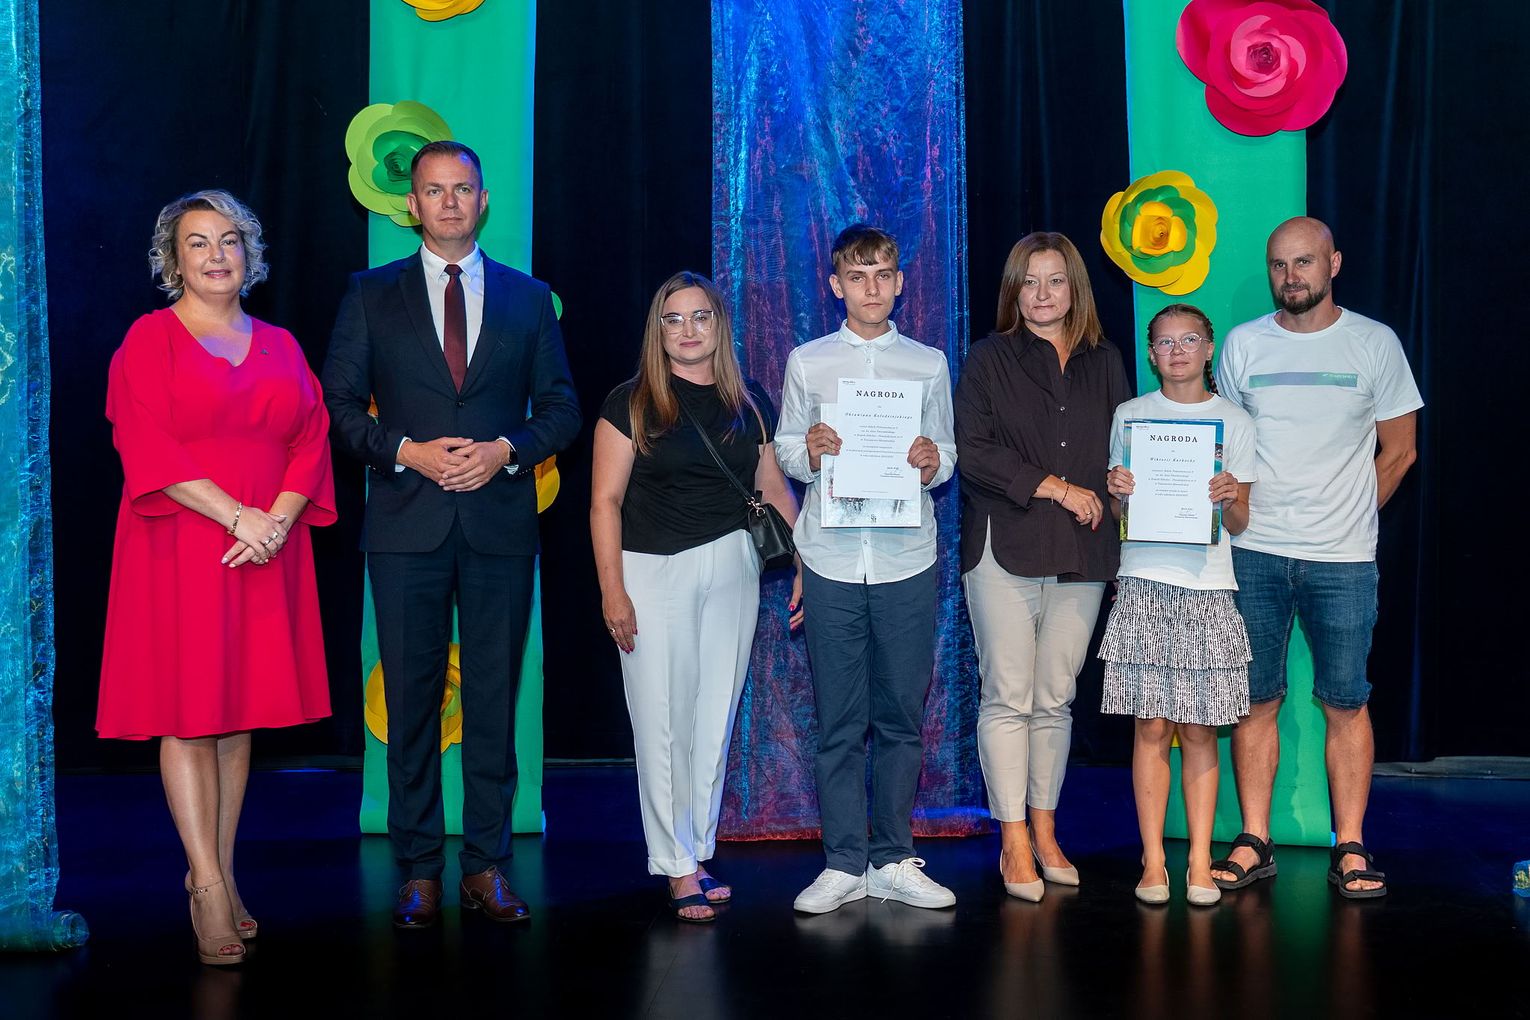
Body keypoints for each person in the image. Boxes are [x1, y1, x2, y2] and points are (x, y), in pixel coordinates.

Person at [322, 141, 580, 928]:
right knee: (411, 703)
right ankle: (419, 870)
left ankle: (487, 867)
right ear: (412, 204)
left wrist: (506, 451)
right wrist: (407, 451)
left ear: (483, 200)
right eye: (433, 190)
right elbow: (337, 407)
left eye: (462, 189)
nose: (449, 202)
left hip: (501, 525)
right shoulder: (370, 293)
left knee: (495, 701)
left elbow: (561, 409)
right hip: (406, 527)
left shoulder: (529, 299)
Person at [99, 190, 336, 965]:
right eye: (198, 242)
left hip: (264, 548)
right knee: (189, 714)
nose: (216, 255)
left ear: (249, 253)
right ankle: (203, 884)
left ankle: (225, 872)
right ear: (173, 259)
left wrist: (276, 522)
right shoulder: (149, 339)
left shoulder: (281, 344)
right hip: (181, 544)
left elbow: (312, 439)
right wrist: (239, 517)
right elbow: (146, 444)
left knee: (238, 717)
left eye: (230, 240)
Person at [1210, 216, 1421, 900]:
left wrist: (1351, 514)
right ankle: (1254, 839)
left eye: (1304, 262)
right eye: (1279, 264)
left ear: (1334, 263)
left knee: (1346, 701)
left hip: (1344, 559)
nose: (1290, 276)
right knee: (1254, 700)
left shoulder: (1375, 343)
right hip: (1254, 551)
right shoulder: (1243, 345)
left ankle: (1350, 843)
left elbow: (1400, 450)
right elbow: (1223, 445)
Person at [591, 271, 801, 923]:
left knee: (714, 719)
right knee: (662, 721)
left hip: (733, 566)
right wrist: (612, 592)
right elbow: (604, 502)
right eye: (674, 319)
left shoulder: (749, 400)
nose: (688, 330)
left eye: (700, 316)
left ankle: (697, 851)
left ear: (719, 325)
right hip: (652, 570)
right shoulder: (630, 402)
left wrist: (806, 562)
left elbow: (771, 487)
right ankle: (675, 862)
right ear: (658, 331)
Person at [778, 224, 958, 914]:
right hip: (830, 556)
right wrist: (811, 450)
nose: (871, 288)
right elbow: (787, 448)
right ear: (836, 286)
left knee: (902, 717)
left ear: (900, 282)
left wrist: (932, 461)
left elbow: (947, 453)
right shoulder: (808, 362)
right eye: (857, 277)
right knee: (839, 720)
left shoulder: (928, 364)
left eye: (883, 274)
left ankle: (891, 859)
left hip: (906, 557)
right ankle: (843, 863)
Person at [954, 231, 1130, 901]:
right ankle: (1013, 841)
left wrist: (1124, 483)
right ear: (1013, 291)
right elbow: (973, 452)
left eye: (1055, 280)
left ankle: (1047, 832)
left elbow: (1121, 447)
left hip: (1084, 552)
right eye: (1029, 282)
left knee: (1055, 699)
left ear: (1075, 289)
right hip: (1005, 546)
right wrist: (1056, 487)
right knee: (1008, 696)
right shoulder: (987, 358)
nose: (1042, 294)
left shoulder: (1105, 361)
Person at [1099, 303, 1256, 906]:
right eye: (1165, 343)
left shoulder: (1234, 420)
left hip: (1209, 586)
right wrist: (1118, 493)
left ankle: (1198, 862)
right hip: (1144, 580)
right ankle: (1152, 862)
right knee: (1151, 726)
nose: (1178, 351)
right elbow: (1121, 514)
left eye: (1189, 340)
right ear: (1151, 353)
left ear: (1209, 348)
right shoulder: (1131, 415)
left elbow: (1239, 522)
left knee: (1199, 729)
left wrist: (1230, 495)